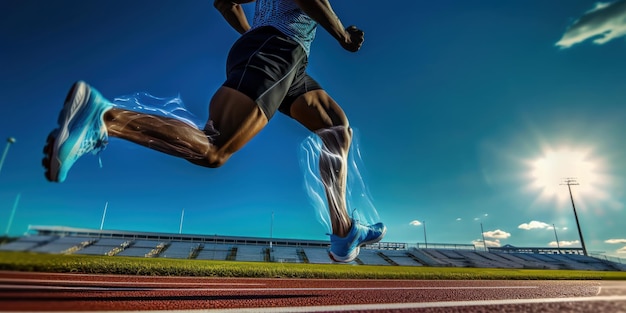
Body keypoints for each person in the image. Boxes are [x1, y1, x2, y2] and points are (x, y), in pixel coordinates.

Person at [42, 0, 385, 263]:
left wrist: (252, 34)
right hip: (276, 51)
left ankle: (343, 232)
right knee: (214, 150)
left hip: (282, 57)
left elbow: (225, 2)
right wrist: (342, 35)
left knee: (336, 129)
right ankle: (106, 118)